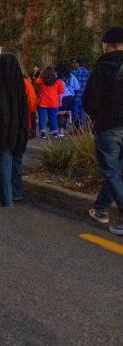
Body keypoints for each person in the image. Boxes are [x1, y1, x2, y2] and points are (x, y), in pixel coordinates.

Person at [0, 53, 38, 207]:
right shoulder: (25, 82)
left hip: (1, 130)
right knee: (17, 161)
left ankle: (7, 198)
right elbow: (32, 104)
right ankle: (17, 192)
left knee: (4, 162)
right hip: (21, 128)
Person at [83, 27, 123, 235]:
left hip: (109, 126)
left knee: (111, 171)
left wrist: (97, 116)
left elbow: (90, 100)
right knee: (116, 173)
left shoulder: (103, 68)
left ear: (108, 46)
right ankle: (100, 209)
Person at [34, 66, 64, 138]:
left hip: (42, 102)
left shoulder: (41, 81)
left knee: (42, 118)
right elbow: (61, 93)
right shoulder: (58, 82)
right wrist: (60, 101)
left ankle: (43, 133)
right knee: (53, 117)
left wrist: (40, 74)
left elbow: (35, 81)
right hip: (54, 102)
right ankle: (55, 132)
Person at [56, 63, 79, 136]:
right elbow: (77, 87)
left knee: (60, 113)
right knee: (65, 113)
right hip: (70, 96)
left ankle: (60, 129)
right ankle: (63, 130)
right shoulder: (71, 76)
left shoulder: (58, 78)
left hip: (60, 97)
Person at [71, 58, 89, 129]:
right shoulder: (88, 73)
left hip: (76, 96)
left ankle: (76, 128)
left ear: (78, 64)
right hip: (85, 96)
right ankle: (84, 127)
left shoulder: (74, 72)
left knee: (75, 112)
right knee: (83, 113)